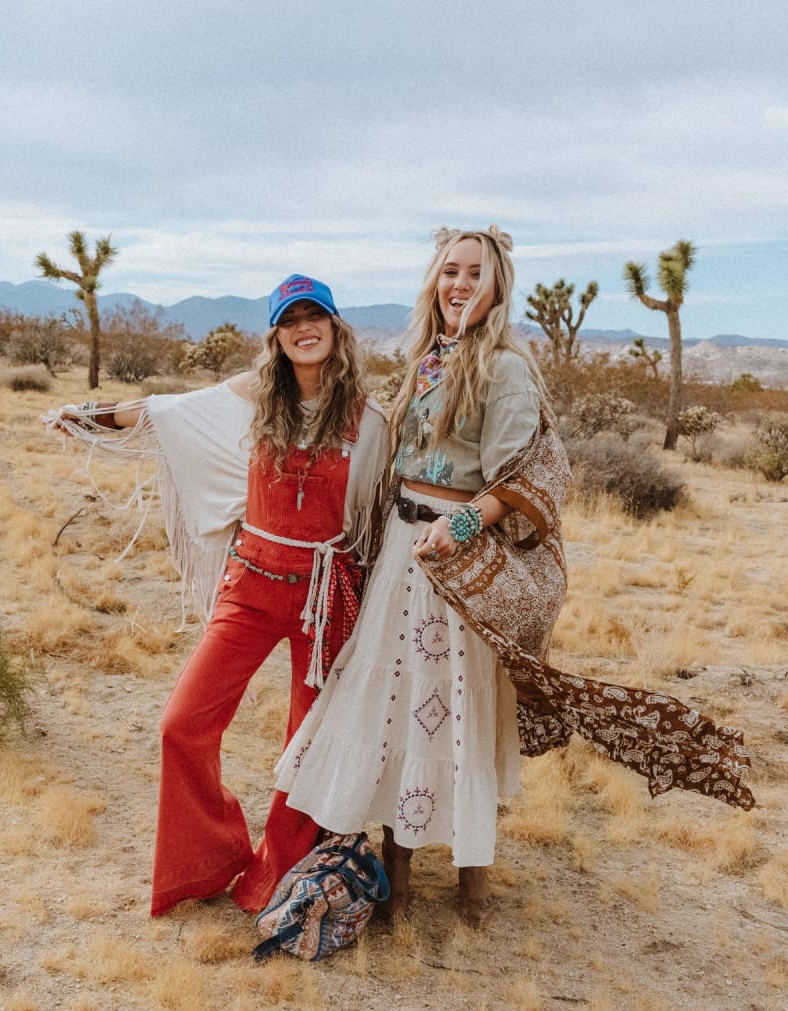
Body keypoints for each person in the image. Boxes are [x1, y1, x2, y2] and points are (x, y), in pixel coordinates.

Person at [274, 227, 754, 929]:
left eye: (476, 272)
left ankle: (472, 882)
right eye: (450, 271)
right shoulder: (426, 360)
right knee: (393, 703)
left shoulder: (505, 367)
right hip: (403, 553)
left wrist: (464, 523)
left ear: (497, 284)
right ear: (434, 280)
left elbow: (527, 474)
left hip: (458, 561)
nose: (460, 284)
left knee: (455, 709)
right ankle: (396, 868)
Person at [46, 274, 390, 916]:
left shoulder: (370, 420)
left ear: (335, 327)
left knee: (307, 741)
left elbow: (385, 507)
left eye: (315, 316)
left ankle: (279, 872)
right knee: (182, 724)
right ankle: (208, 857)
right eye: (291, 320)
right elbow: (167, 411)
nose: (304, 328)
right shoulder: (252, 397)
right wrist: (89, 417)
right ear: (277, 336)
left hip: (324, 593)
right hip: (251, 584)